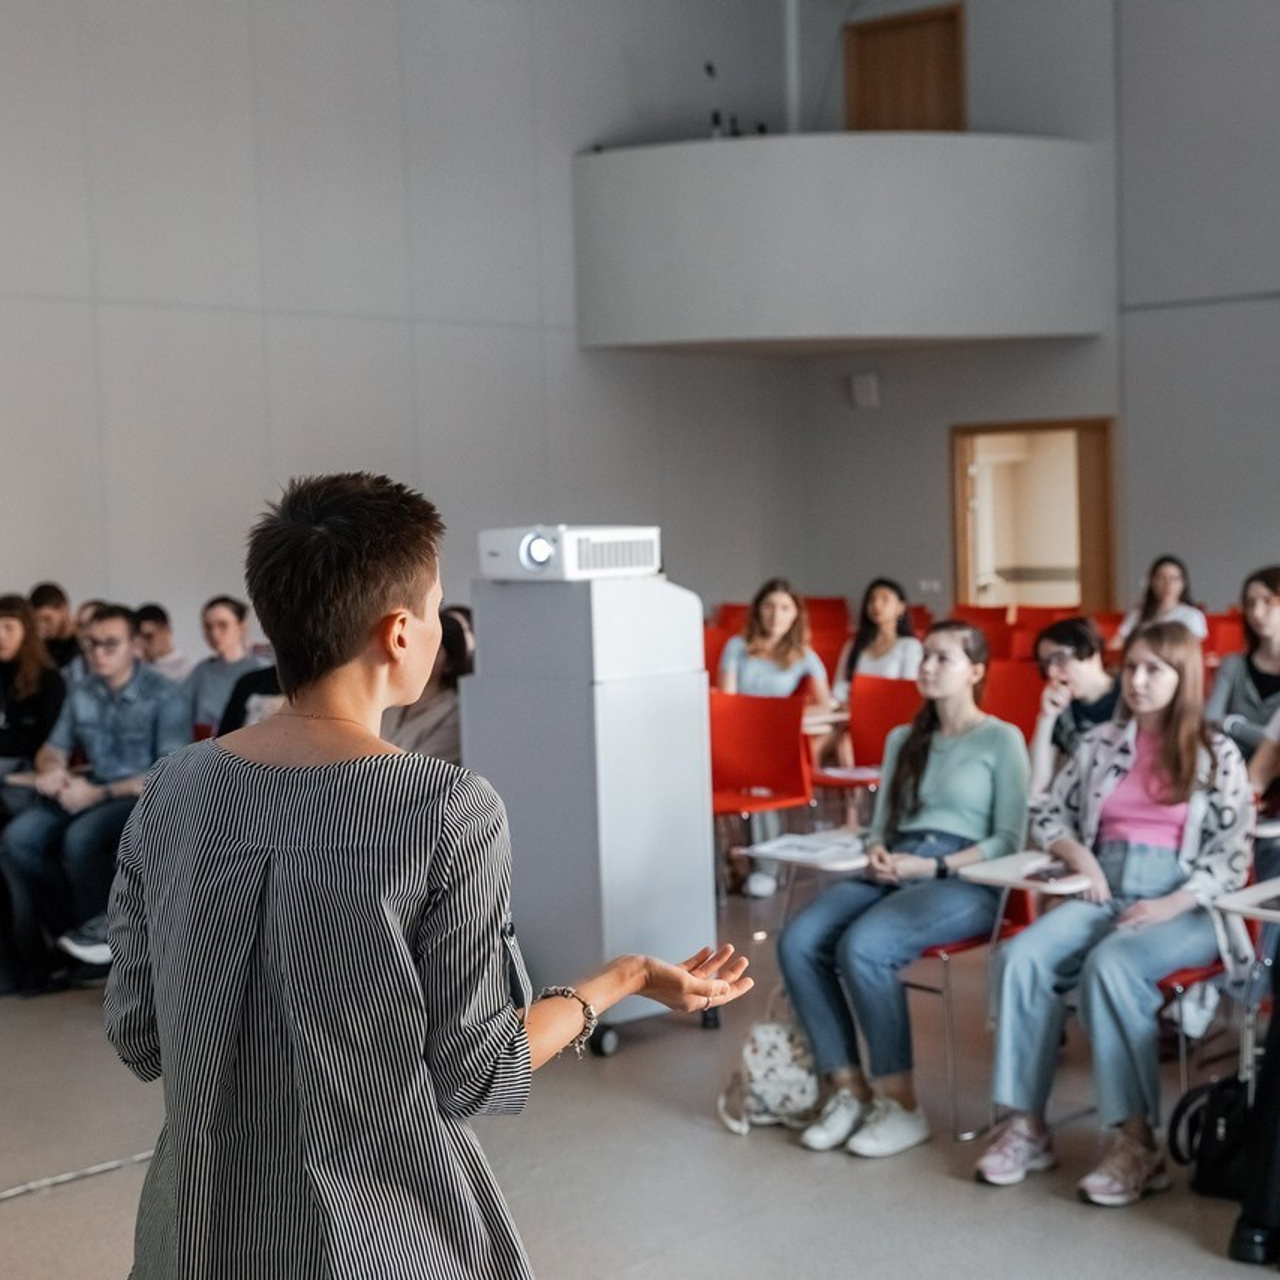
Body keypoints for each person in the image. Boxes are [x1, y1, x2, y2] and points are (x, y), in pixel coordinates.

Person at [103, 472, 752, 1279]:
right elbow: (476, 1073)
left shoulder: (173, 790)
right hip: (380, 1235)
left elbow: (138, 1035)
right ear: (399, 633)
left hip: (193, 1235)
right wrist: (617, 980)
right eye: (440, 607)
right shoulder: (444, 809)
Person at [976, 621, 1252, 1205]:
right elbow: (1047, 813)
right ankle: (1026, 1125)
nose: (1139, 680)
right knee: (1020, 957)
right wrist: (1081, 858)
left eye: (1155, 669)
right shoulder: (1100, 743)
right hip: (1104, 889)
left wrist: (1172, 901)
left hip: (1186, 905)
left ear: (1185, 678)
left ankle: (1136, 1144)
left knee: (1112, 967)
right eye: (1132, 667)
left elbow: (1232, 858)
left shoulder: (1215, 752)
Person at [777, 620, 1029, 1159]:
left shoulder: (1001, 739)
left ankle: (900, 1101)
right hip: (898, 863)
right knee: (798, 938)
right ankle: (846, 1087)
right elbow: (881, 822)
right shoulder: (902, 739)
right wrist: (877, 850)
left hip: (965, 879)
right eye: (926, 657)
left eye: (944, 659)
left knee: (865, 946)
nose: (929, 667)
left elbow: (1010, 838)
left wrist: (933, 869)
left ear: (976, 672)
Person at [0, 604, 187, 991]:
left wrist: (96, 793)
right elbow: (53, 748)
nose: (98, 653)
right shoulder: (82, 692)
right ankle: (74, 930)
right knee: (19, 837)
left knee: (81, 837)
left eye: (110, 644)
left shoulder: (166, 696)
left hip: (142, 796)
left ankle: (108, 946)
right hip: (89, 789)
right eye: (91, 645)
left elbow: (169, 771)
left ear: (135, 646)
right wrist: (52, 769)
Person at [719, 579, 835, 898]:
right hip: (739, 734)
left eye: (784, 607)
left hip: (776, 741)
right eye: (769, 606)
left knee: (762, 781)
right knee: (754, 775)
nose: (776, 615)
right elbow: (727, 699)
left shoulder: (803, 655)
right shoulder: (737, 646)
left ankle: (764, 865)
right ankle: (741, 857)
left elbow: (826, 703)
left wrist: (787, 716)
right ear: (758, 611)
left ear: (795, 614)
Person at [1027, 617, 1120, 794]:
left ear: (1092, 652)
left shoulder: (1130, 697)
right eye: (1046, 665)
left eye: (1060, 659)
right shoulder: (1062, 707)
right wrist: (1046, 718)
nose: (1052, 673)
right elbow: (1035, 786)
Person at [1206, 565, 1280, 759]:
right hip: (1230, 770)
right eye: (1250, 603)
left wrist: (1232, 724)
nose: (1256, 612)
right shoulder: (1232, 665)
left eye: (1267, 601)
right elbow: (1210, 721)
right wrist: (1263, 736)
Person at [381, 610, 471, 764]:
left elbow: (420, 769)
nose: (420, 655)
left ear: (449, 663)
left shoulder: (455, 712)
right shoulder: (393, 699)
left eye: (434, 650)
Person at [0, 595, 67, 778]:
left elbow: (48, 739)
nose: (1, 635)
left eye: (8, 627)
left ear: (26, 631)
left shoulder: (48, 679)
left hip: (29, 762)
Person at [183, 594, 264, 737]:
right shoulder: (201, 672)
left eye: (223, 625)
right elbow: (179, 715)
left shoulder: (260, 671)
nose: (214, 633)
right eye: (208, 627)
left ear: (241, 626)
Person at [832, 578, 923, 705]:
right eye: (872, 600)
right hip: (853, 712)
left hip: (891, 713)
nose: (876, 605)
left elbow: (907, 691)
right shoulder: (853, 645)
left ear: (900, 608)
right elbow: (839, 687)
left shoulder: (910, 646)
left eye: (885, 599)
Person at [1112, 555, 1207, 647]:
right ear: (1152, 582)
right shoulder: (1139, 613)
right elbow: (1117, 642)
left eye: (1174, 579)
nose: (1168, 584)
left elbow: (1193, 649)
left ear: (1183, 584)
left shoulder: (1193, 615)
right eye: (1162, 578)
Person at [135, 603, 196, 684]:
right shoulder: (134, 668)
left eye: (148, 637)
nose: (143, 644)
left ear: (167, 631)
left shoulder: (187, 671)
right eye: (138, 638)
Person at [28, 581, 80, 670]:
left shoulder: (83, 642)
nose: (42, 625)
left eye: (47, 619)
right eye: (37, 621)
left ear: (64, 608)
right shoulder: (42, 647)